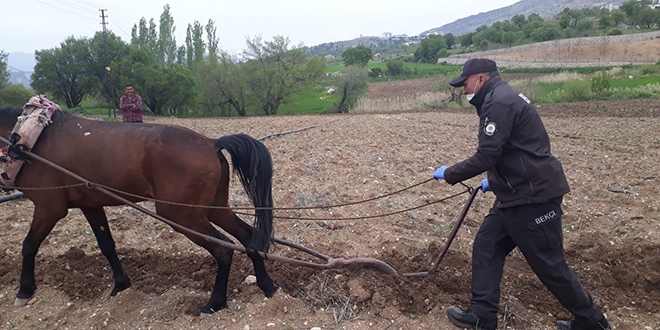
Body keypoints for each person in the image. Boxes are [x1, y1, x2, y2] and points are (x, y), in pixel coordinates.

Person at [432, 58, 610, 330]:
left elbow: (488, 154)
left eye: (465, 83)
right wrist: (495, 181)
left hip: (532, 198)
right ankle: (482, 316)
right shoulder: (504, 97)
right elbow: (517, 148)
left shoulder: (498, 103)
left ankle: (592, 322)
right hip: (515, 194)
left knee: (549, 265)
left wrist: (451, 174)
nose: (463, 89)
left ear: (480, 78)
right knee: (487, 246)